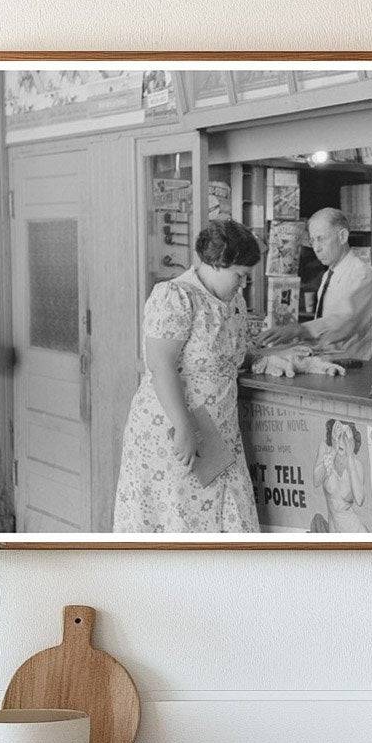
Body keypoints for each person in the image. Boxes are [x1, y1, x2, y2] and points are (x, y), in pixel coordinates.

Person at [113, 220, 263, 533]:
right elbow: (160, 365)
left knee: (230, 519)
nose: (244, 283)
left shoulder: (233, 301)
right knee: (176, 521)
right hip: (174, 429)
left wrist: (269, 360)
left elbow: (227, 356)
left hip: (220, 433)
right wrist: (183, 427)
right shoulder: (175, 297)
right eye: (240, 275)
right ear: (216, 264)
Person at [259, 208, 372, 358]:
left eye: (321, 239)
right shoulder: (329, 274)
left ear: (342, 236)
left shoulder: (362, 274)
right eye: (312, 240)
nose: (316, 248)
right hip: (329, 358)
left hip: (352, 363)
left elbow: (346, 321)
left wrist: (301, 330)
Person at [310, 419, 370, 532]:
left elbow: (360, 500)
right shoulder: (325, 450)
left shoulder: (356, 465)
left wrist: (350, 455)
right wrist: (333, 449)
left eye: (346, 437)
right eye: (338, 435)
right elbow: (316, 481)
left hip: (355, 532)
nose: (341, 441)